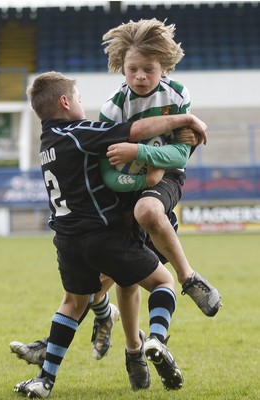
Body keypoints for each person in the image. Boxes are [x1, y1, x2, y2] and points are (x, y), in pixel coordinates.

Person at [13, 71, 208, 398]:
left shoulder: (47, 144)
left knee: (72, 304)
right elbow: (132, 130)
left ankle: (44, 380)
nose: (81, 105)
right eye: (77, 99)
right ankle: (156, 338)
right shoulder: (77, 131)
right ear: (65, 102)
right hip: (102, 234)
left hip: (65, 239)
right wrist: (184, 118)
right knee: (162, 282)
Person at [100, 18, 221, 317]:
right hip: (129, 185)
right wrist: (143, 178)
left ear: (163, 67)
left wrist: (139, 152)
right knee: (105, 275)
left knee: (148, 212)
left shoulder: (177, 95)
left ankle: (189, 278)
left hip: (167, 178)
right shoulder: (113, 109)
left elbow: (180, 155)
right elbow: (108, 172)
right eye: (132, 69)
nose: (140, 76)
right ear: (121, 65)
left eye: (149, 69)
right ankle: (104, 319)